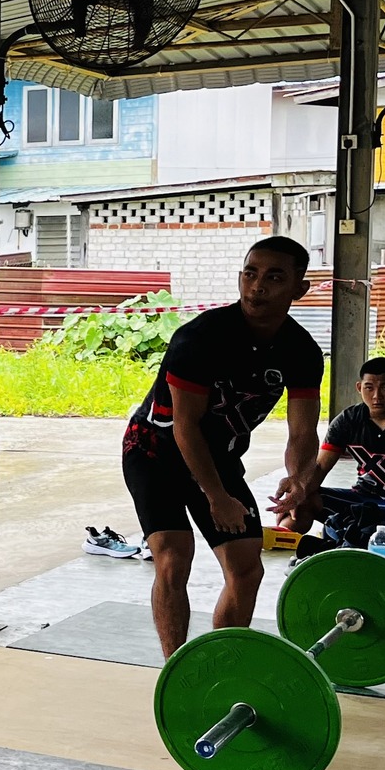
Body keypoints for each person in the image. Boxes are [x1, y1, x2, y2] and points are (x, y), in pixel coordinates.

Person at [121, 236, 323, 658]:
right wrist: (216, 497)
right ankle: (177, 669)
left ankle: (220, 663)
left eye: (274, 277)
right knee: (174, 558)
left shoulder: (301, 350)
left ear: (299, 289)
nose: (257, 286)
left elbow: (302, 431)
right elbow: (185, 428)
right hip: (155, 452)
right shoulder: (200, 338)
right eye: (250, 273)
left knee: (247, 568)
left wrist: (300, 478)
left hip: (218, 457)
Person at [290, 355, 385, 527]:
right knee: (304, 501)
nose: (377, 396)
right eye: (369, 388)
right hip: (363, 498)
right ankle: (287, 537)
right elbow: (320, 466)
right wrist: (297, 495)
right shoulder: (347, 421)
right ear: (359, 387)